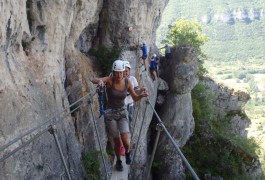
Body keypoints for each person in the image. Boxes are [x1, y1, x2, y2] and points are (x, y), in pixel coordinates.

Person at [91, 60, 149, 171]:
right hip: (110, 113)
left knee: (126, 140)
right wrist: (99, 81)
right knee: (117, 141)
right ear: (113, 72)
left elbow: (135, 97)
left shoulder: (128, 82)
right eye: (117, 72)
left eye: (121, 72)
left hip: (122, 112)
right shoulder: (109, 80)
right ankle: (118, 161)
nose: (119, 75)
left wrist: (141, 95)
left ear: (124, 72)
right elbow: (93, 80)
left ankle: (127, 152)